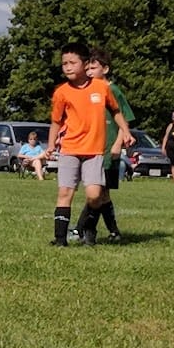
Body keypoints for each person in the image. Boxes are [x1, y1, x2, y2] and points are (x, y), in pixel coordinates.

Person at [47, 42, 134, 247]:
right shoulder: (62, 92)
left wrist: (126, 132)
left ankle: (88, 229)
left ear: (85, 65)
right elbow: (56, 122)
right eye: (64, 63)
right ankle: (60, 240)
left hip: (94, 151)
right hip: (69, 149)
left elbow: (116, 111)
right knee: (65, 193)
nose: (67, 67)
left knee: (95, 195)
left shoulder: (101, 88)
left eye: (72, 63)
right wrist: (51, 145)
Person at [71, 47, 135, 242]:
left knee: (97, 192)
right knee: (101, 193)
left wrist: (118, 144)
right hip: (92, 148)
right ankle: (113, 232)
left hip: (107, 149)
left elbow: (125, 119)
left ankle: (80, 230)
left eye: (93, 68)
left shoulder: (112, 90)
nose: (89, 72)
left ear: (105, 69)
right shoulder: (89, 92)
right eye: (87, 68)